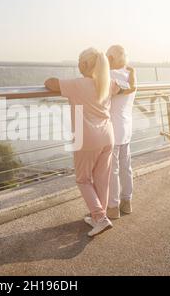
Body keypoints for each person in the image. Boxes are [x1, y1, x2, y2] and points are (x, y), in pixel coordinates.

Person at [44, 47, 136, 237]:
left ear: (85, 64)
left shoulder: (77, 84)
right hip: (108, 136)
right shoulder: (109, 83)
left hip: (86, 138)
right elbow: (130, 87)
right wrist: (132, 73)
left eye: (79, 60)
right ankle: (98, 218)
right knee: (102, 179)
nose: (78, 63)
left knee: (83, 179)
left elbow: (50, 83)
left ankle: (100, 217)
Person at [106, 45, 137, 219]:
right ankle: (127, 202)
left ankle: (113, 207)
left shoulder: (109, 76)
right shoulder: (130, 76)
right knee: (126, 167)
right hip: (126, 128)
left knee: (113, 170)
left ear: (110, 58)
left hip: (112, 129)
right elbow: (131, 88)